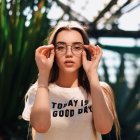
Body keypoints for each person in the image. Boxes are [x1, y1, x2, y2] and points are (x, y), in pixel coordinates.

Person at [22, 21, 120, 140]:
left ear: (86, 51)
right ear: (52, 52)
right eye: (61, 47)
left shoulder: (99, 90)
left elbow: (104, 128)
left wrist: (92, 73)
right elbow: (41, 127)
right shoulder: (39, 90)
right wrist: (43, 74)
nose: (69, 54)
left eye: (77, 47)